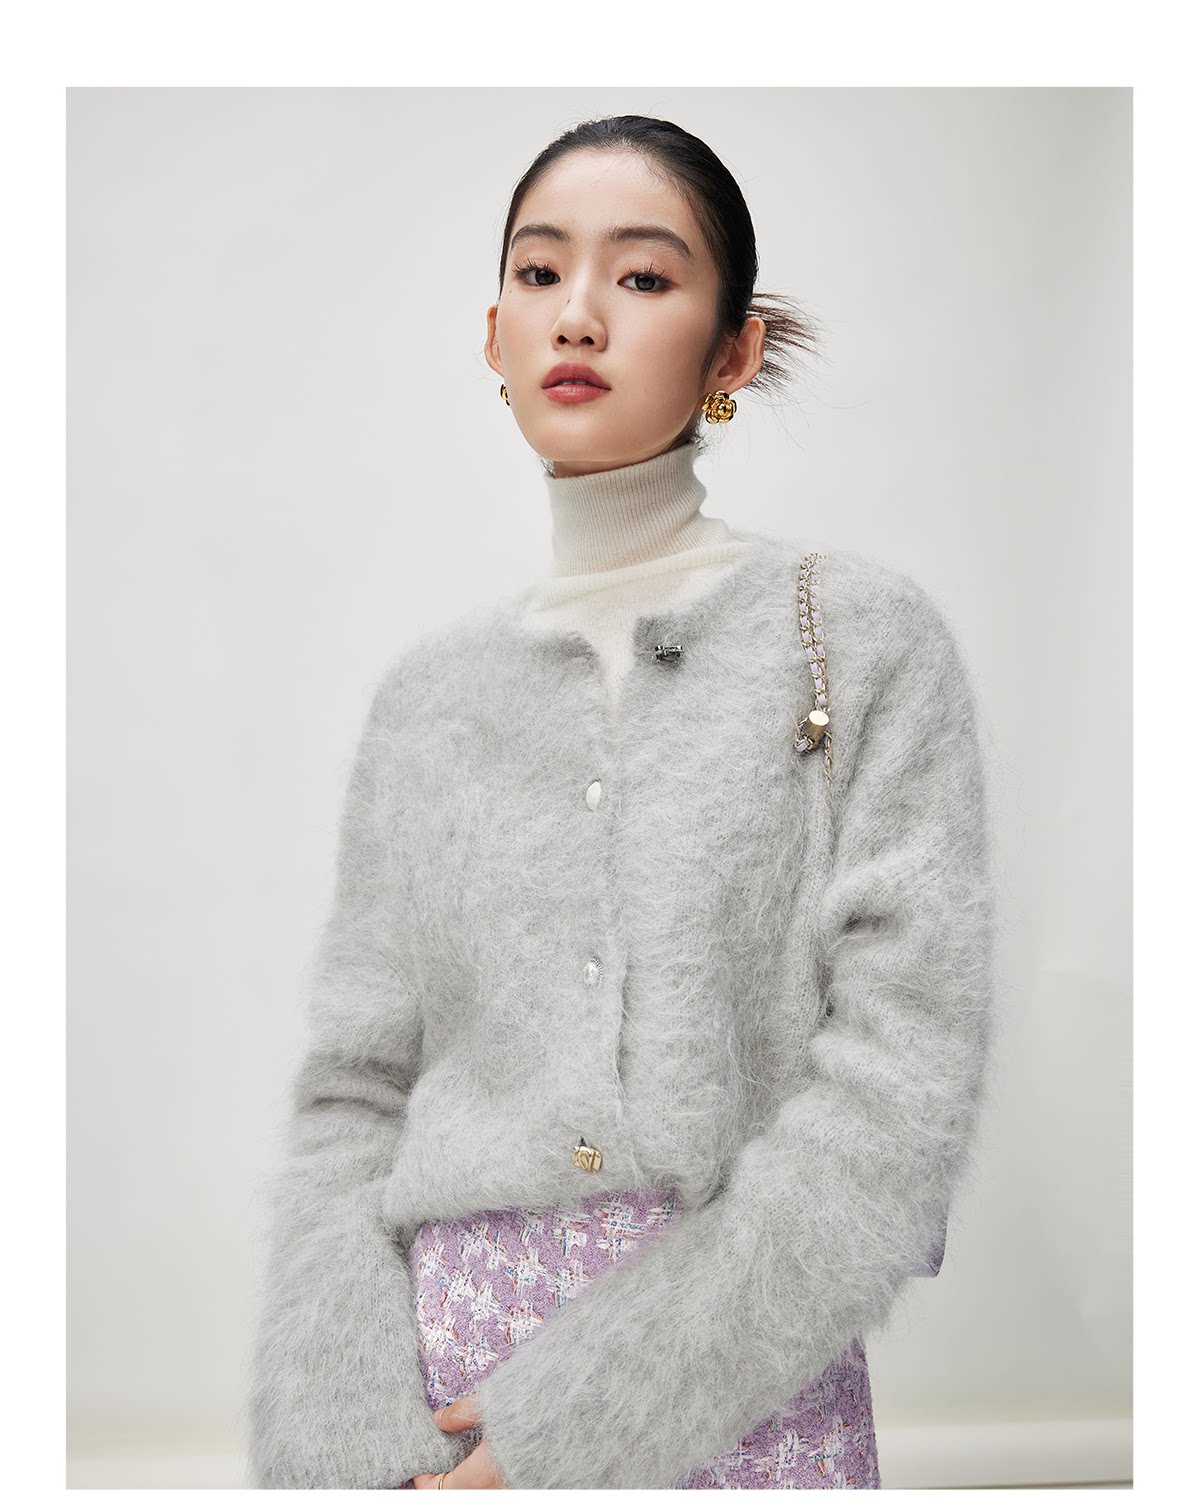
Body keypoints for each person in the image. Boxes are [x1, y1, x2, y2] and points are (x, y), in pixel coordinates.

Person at [243, 115, 995, 1491]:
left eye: (644, 277)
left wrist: (588, 1415)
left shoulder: (860, 641)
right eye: (539, 273)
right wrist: (343, 1439)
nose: (579, 313)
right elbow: (355, 1088)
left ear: (734, 353)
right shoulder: (428, 698)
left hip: (743, 1378)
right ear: (493, 336)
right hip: (434, 1389)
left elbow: (900, 1090)